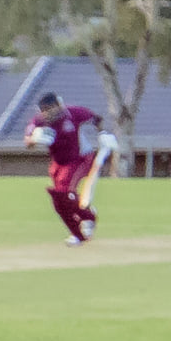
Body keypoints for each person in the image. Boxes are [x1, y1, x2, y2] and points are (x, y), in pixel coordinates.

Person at [25, 92, 111, 245]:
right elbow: (27, 142)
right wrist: (34, 139)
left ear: (58, 106)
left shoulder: (74, 113)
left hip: (80, 158)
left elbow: (96, 119)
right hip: (58, 163)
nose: (47, 114)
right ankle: (81, 225)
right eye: (44, 110)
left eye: (49, 109)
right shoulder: (39, 121)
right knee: (61, 200)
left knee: (65, 192)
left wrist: (102, 134)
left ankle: (86, 220)